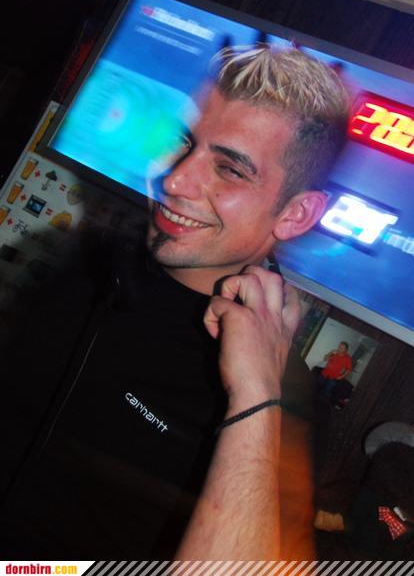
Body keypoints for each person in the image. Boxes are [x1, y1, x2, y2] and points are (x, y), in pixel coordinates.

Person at [0, 45, 350, 559]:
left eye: (230, 170)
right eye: (182, 143)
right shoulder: (93, 266)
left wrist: (254, 396)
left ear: (296, 214)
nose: (175, 179)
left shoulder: (280, 399)